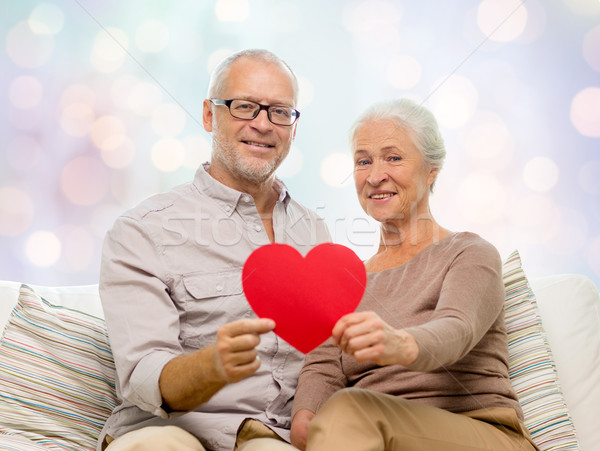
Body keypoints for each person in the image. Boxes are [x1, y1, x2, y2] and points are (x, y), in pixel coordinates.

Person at [97, 49, 331, 451]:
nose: (262, 124)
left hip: (270, 437)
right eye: (244, 107)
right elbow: (142, 376)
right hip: (169, 430)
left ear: (293, 128)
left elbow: (327, 362)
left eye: (279, 112)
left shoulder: (316, 233)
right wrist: (211, 367)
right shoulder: (143, 230)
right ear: (209, 115)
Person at [282, 98, 539, 450]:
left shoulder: (469, 253)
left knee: (348, 409)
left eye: (393, 157)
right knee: (339, 414)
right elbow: (324, 368)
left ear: (432, 169)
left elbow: (457, 328)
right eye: (363, 161)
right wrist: (305, 417)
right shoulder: (343, 281)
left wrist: (400, 343)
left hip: (481, 432)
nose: (375, 176)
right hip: (371, 433)